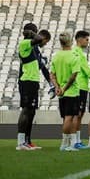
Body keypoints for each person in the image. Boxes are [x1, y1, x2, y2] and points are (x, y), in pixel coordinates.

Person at [16, 23, 51, 151]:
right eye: (35, 32)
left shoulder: (34, 48)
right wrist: (31, 33)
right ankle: (20, 142)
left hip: (33, 81)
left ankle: (27, 141)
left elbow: (43, 67)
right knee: (26, 110)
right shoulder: (25, 43)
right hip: (27, 81)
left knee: (31, 111)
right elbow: (39, 39)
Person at [50, 32, 80, 151]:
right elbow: (73, 75)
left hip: (61, 92)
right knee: (69, 117)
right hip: (71, 91)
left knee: (66, 118)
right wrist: (64, 88)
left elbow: (52, 74)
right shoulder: (74, 55)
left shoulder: (56, 55)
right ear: (70, 41)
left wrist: (57, 87)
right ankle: (65, 144)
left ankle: (70, 143)